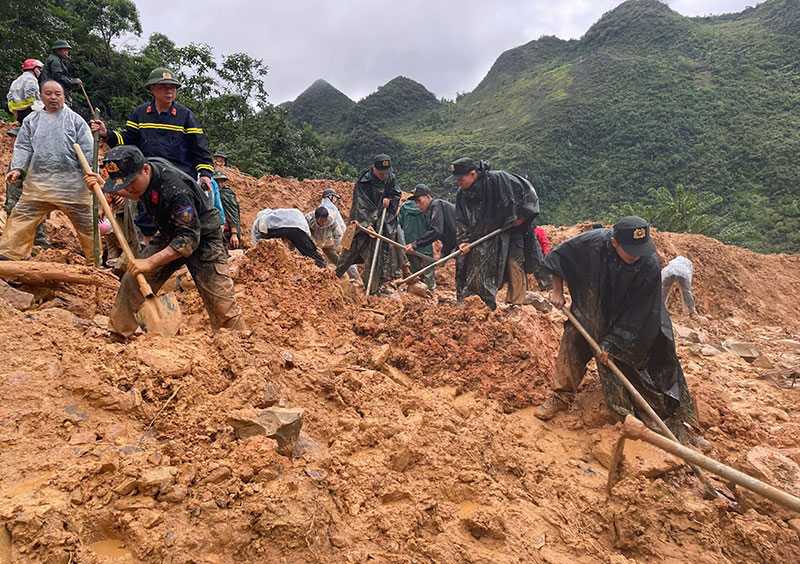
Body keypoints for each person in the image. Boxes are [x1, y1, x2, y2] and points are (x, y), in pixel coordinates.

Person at [533, 217, 700, 441]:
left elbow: (640, 314)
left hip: (634, 319)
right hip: (592, 307)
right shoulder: (591, 243)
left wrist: (612, 343)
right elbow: (559, 257)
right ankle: (560, 396)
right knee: (573, 339)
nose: (636, 255)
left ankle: (669, 414)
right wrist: (557, 290)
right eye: (630, 251)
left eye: (640, 249)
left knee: (655, 355)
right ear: (614, 243)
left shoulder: (648, 264)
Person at [82, 146, 245, 339]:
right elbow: (138, 193)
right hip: (171, 231)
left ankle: (238, 343)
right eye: (123, 183)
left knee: (220, 299)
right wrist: (104, 185)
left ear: (145, 169)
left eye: (130, 181)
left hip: (203, 238)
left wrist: (150, 262)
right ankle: (118, 333)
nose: (128, 187)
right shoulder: (145, 174)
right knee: (132, 279)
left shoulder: (175, 189)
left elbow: (188, 239)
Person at [0, 81, 93, 261]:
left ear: (63, 97)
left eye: (57, 94)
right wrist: (18, 168)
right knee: (22, 218)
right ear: (41, 97)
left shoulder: (75, 121)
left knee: (87, 226)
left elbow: (88, 150)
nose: (53, 97)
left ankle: (95, 261)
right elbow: (23, 146)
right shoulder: (32, 120)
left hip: (72, 188)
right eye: (48, 93)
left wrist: (90, 175)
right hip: (38, 186)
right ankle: (8, 256)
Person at [90, 68, 214, 191]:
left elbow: (200, 148)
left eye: (173, 87)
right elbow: (129, 140)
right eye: (164, 87)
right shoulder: (140, 113)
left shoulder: (185, 115)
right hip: (148, 179)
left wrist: (205, 174)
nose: (169, 91)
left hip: (180, 178)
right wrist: (106, 133)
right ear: (152, 88)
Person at [449, 158, 542, 309]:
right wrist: (463, 241)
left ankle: (516, 304)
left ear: (473, 174)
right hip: (487, 233)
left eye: (461, 178)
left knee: (514, 262)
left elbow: (529, 194)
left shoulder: (498, 180)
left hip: (512, 228)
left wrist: (522, 216)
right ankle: (477, 302)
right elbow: (461, 221)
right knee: (475, 261)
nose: (458, 182)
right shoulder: (462, 194)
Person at [335, 154, 404, 293]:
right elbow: (360, 205)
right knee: (347, 253)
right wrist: (367, 224)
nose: (384, 176)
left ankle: (372, 289)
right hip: (359, 222)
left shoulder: (391, 178)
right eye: (381, 173)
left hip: (380, 223)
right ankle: (332, 279)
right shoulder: (363, 182)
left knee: (375, 256)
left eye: (386, 173)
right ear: (373, 168)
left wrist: (389, 200)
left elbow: (396, 194)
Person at [2, 128, 50, 251]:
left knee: (36, 234)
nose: (12, 141)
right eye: (12, 138)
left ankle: (43, 256)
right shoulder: (16, 160)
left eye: (15, 138)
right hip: (14, 205)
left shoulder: (33, 161)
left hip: (29, 205)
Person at [251, 208, 326, 268]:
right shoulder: (281, 215)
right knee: (310, 252)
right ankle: (322, 266)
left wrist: (258, 253)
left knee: (268, 247)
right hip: (298, 227)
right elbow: (298, 240)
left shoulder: (261, 220)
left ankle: (268, 265)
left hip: (273, 229)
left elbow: (257, 242)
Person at [39, 40, 82, 105]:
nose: (66, 52)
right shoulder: (55, 60)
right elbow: (58, 76)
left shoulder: (56, 59)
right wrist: (71, 82)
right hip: (53, 89)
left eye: (67, 50)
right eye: (64, 50)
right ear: (58, 50)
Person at [7, 59, 43, 125]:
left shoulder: (16, 81)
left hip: (19, 113)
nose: (40, 72)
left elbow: (10, 96)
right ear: (33, 68)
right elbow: (30, 92)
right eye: (38, 69)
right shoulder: (31, 79)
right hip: (30, 111)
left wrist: (13, 110)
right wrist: (34, 105)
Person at [213, 170, 241, 250]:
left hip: (227, 231)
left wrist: (234, 234)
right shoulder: (209, 193)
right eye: (217, 181)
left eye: (221, 181)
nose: (219, 184)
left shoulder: (228, 194)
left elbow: (233, 215)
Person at [532, 226, 553, 291]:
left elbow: (545, 243)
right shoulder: (527, 231)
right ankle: (543, 290)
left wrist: (546, 255)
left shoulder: (539, 230)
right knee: (537, 275)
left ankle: (550, 290)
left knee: (545, 274)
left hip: (541, 255)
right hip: (533, 257)